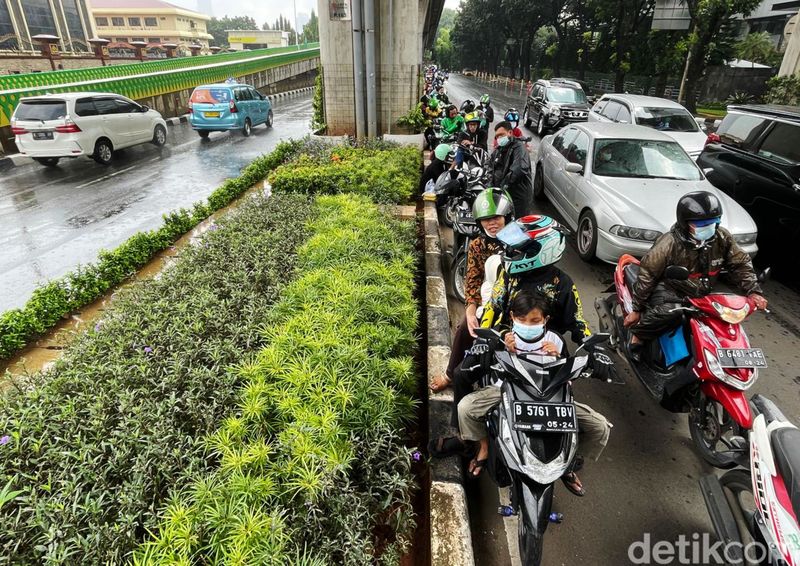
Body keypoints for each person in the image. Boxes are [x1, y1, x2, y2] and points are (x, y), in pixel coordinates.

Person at [439, 290, 613, 490]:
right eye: (522, 319)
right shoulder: (504, 338)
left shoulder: (555, 341)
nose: (528, 325)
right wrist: (504, 351)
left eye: (534, 320)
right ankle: (484, 448)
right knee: (465, 408)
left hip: (550, 397)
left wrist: (557, 358)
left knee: (599, 427)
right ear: (512, 317)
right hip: (508, 391)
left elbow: (567, 375)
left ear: (545, 319)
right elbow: (482, 356)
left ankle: (568, 463)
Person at [624, 191, 768, 359]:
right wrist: (637, 309)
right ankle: (638, 336)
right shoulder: (669, 243)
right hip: (670, 289)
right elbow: (648, 274)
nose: (708, 228)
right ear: (685, 223)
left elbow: (740, 263)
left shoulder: (722, 238)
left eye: (713, 223)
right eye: (701, 224)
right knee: (671, 312)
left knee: (722, 319)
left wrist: (753, 291)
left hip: (702, 293)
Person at [430, 187, 513, 393]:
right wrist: (469, 312)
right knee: (464, 330)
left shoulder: (519, 240)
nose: (492, 223)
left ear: (507, 216)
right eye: (486, 219)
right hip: (488, 302)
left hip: (518, 302)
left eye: (496, 217)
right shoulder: (478, 245)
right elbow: (473, 282)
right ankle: (450, 374)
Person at [487, 121, 534, 217]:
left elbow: (519, 169)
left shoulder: (519, 148)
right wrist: (490, 186)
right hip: (502, 197)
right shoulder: (498, 150)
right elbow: (489, 167)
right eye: (497, 136)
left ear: (510, 133)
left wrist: (503, 187)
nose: (499, 138)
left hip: (518, 198)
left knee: (517, 225)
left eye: (501, 135)